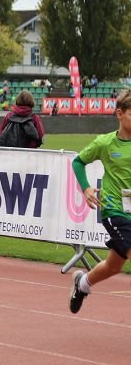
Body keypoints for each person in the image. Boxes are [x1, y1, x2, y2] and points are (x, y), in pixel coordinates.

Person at [69, 89, 131, 314]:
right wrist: (86, 188)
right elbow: (78, 162)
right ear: (119, 114)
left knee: (114, 266)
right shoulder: (105, 143)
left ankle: (82, 284)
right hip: (114, 210)